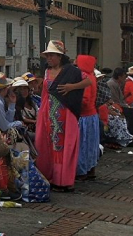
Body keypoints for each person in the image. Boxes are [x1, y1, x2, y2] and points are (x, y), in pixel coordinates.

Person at [34, 40, 88, 192]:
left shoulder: (71, 71)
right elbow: (45, 93)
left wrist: (72, 87)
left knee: (64, 146)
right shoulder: (46, 72)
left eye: (52, 55)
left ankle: (64, 180)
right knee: (48, 145)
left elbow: (89, 81)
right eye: (48, 56)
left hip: (66, 112)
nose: (49, 58)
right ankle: (51, 176)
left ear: (59, 56)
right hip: (49, 112)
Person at [74, 55, 100, 181]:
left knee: (82, 145)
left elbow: (84, 100)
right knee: (91, 145)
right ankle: (91, 169)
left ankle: (81, 171)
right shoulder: (92, 76)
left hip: (84, 116)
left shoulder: (84, 77)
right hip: (92, 115)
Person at [107, 67, 133, 143]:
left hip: (119, 104)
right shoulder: (112, 84)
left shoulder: (116, 84)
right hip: (116, 106)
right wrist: (127, 106)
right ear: (119, 77)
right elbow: (116, 100)